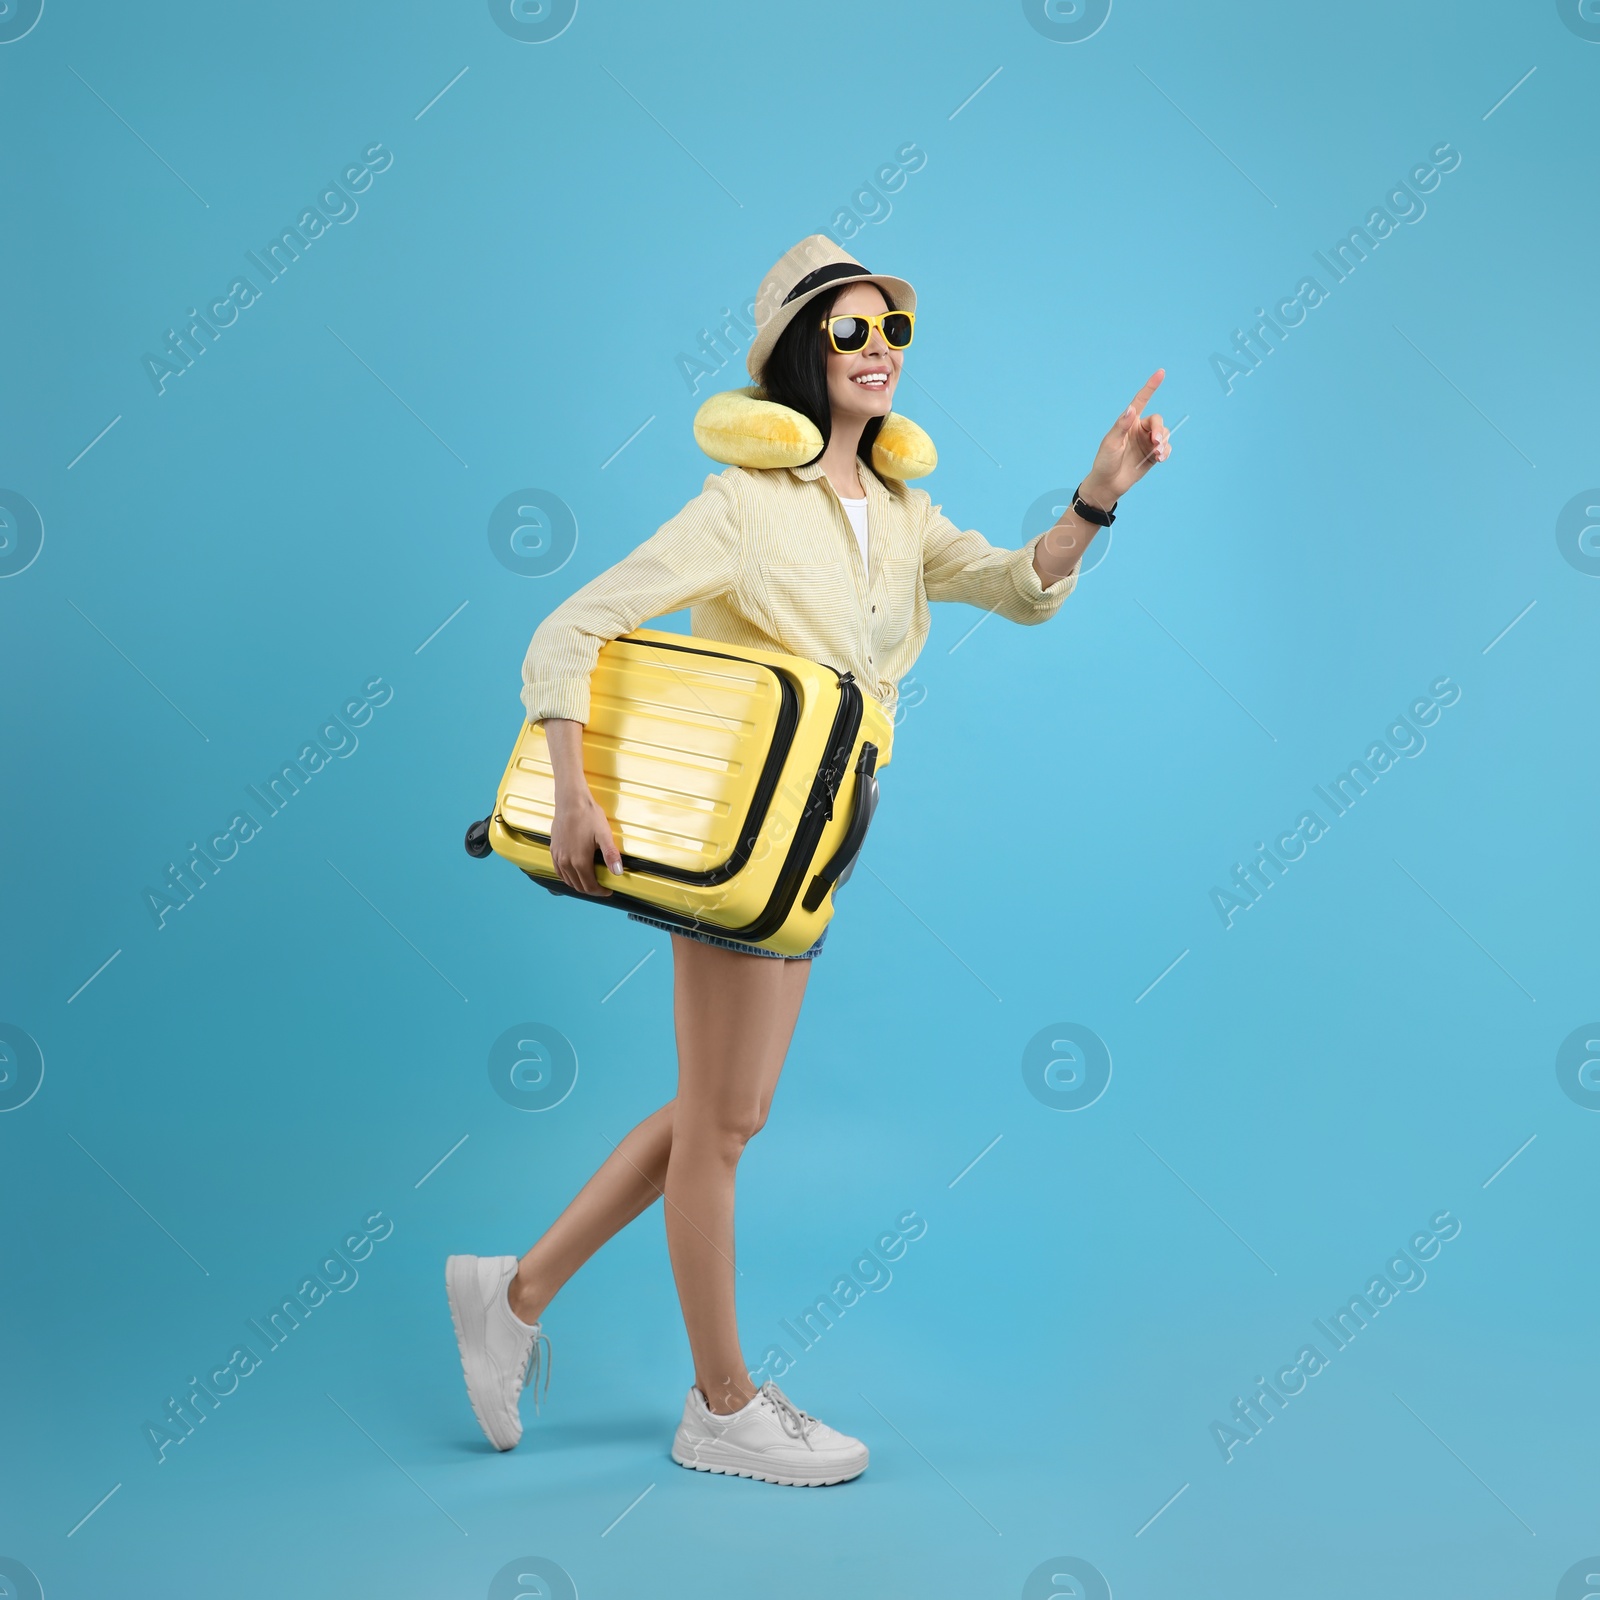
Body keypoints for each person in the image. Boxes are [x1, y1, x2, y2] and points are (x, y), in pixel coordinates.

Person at [446, 235, 1171, 1487]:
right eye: (849, 329)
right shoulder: (743, 505)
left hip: (816, 843)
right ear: (800, 351)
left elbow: (1016, 582)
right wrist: (570, 796)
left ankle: (514, 1291)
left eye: (891, 326)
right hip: (736, 835)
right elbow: (573, 625)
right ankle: (719, 1404)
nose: (877, 346)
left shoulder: (898, 512)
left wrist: (1097, 496)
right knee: (722, 1125)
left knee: (725, 1113)